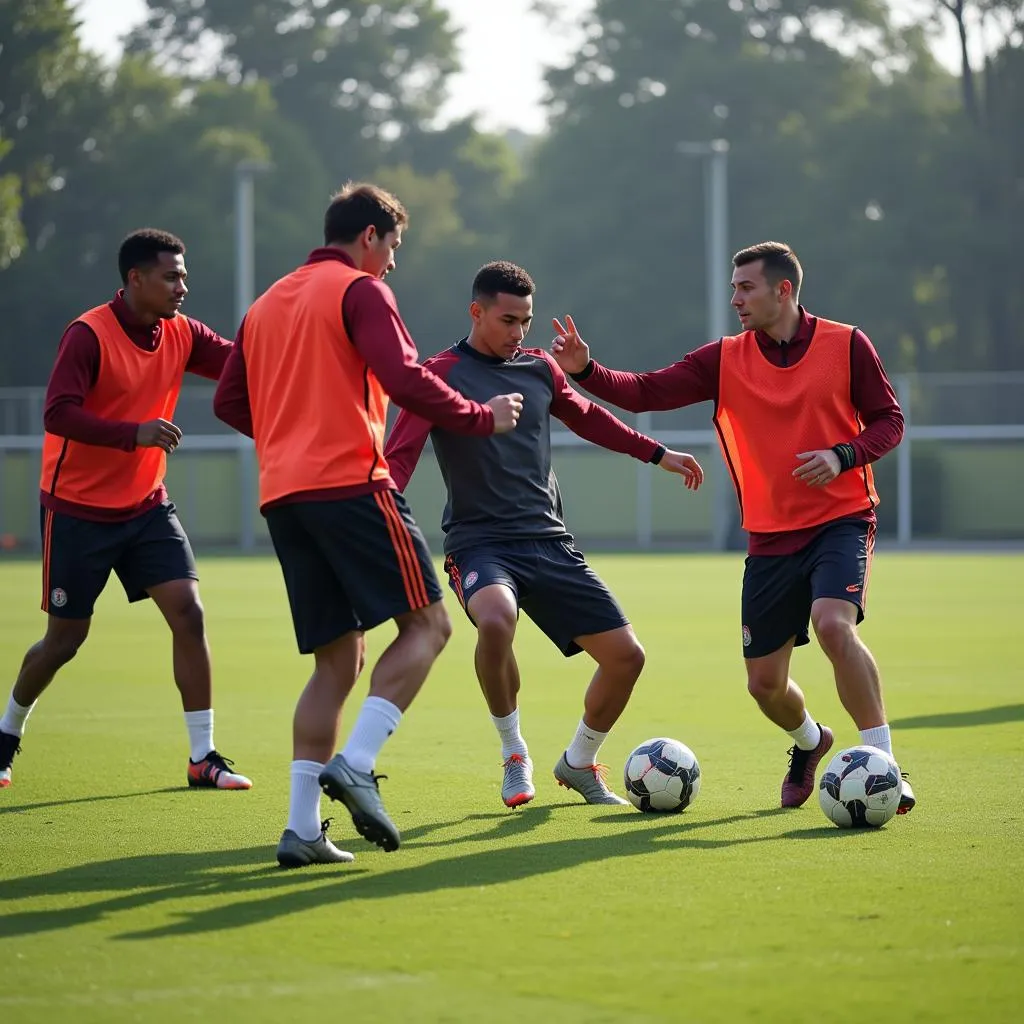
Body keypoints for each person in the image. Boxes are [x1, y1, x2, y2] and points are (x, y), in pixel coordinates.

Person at [213, 183, 523, 867]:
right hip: (349, 482)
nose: (393, 264)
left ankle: (300, 829)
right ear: (371, 236)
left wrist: (290, 434)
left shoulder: (265, 303)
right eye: (394, 247)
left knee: (338, 658)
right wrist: (480, 417)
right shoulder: (359, 290)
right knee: (431, 625)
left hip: (284, 494)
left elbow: (231, 401)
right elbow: (405, 376)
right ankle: (356, 763)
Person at [550, 241, 916, 815]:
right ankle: (811, 741)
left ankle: (885, 765)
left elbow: (890, 420)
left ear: (783, 290)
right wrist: (586, 370)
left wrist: (844, 455)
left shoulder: (847, 344)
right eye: (734, 286)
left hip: (841, 518)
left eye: (746, 287)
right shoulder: (724, 358)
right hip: (769, 537)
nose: (735, 298)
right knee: (764, 686)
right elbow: (647, 390)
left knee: (833, 626)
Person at [385, 261, 703, 809]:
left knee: (627, 657)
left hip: (549, 541)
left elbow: (590, 417)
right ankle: (514, 753)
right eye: (507, 320)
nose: (518, 333)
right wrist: (376, 516)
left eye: (525, 322)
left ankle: (579, 762)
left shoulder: (540, 371)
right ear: (476, 311)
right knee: (495, 617)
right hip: (479, 543)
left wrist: (659, 453)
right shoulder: (436, 375)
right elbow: (400, 456)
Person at [0, 229, 251, 793]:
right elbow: (57, 414)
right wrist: (131, 434)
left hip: (145, 506)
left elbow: (239, 363)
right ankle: (6, 735)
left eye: (184, 275)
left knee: (189, 612)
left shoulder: (181, 331)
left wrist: (296, 344)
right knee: (65, 640)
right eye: (171, 276)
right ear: (135, 279)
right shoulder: (88, 334)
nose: (183, 286)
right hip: (77, 509)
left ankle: (202, 758)